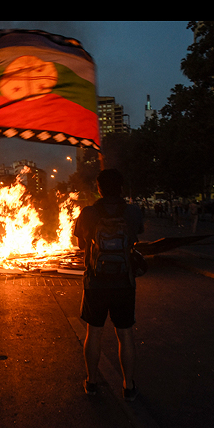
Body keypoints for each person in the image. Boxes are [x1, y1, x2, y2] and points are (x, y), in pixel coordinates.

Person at [73, 169, 144, 401]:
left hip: (96, 282)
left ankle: (91, 382)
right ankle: (129, 386)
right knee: (125, 334)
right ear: (121, 188)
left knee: (93, 332)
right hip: (124, 281)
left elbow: (81, 245)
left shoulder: (89, 213)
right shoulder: (133, 212)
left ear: (99, 189)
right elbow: (135, 239)